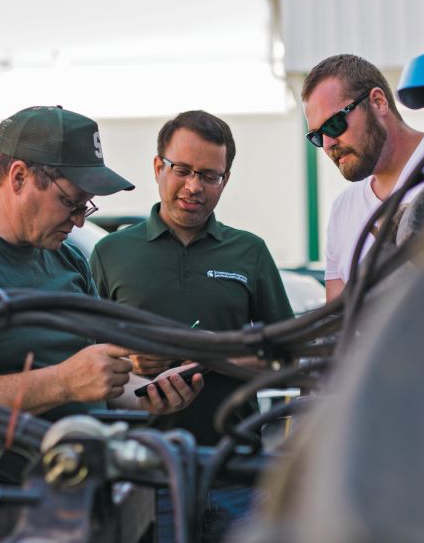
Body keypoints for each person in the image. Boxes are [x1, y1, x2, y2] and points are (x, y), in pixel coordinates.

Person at [0, 106, 202, 540]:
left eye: (86, 205)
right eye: (70, 201)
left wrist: (145, 396)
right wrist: (63, 383)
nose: (80, 219)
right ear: (18, 177)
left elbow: (83, 376)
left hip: (74, 499)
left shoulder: (65, 257)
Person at [90, 110, 294, 542]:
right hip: (141, 476)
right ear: (158, 166)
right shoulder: (110, 254)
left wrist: (211, 353)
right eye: (182, 170)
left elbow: (287, 362)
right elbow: (85, 362)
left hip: (236, 473)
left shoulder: (250, 252)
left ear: (226, 179)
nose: (193, 187)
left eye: (210, 176)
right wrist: (132, 359)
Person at [302, 54, 424, 302]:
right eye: (317, 136)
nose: (327, 144)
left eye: (334, 125)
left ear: (378, 102)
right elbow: (339, 327)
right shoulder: (342, 210)